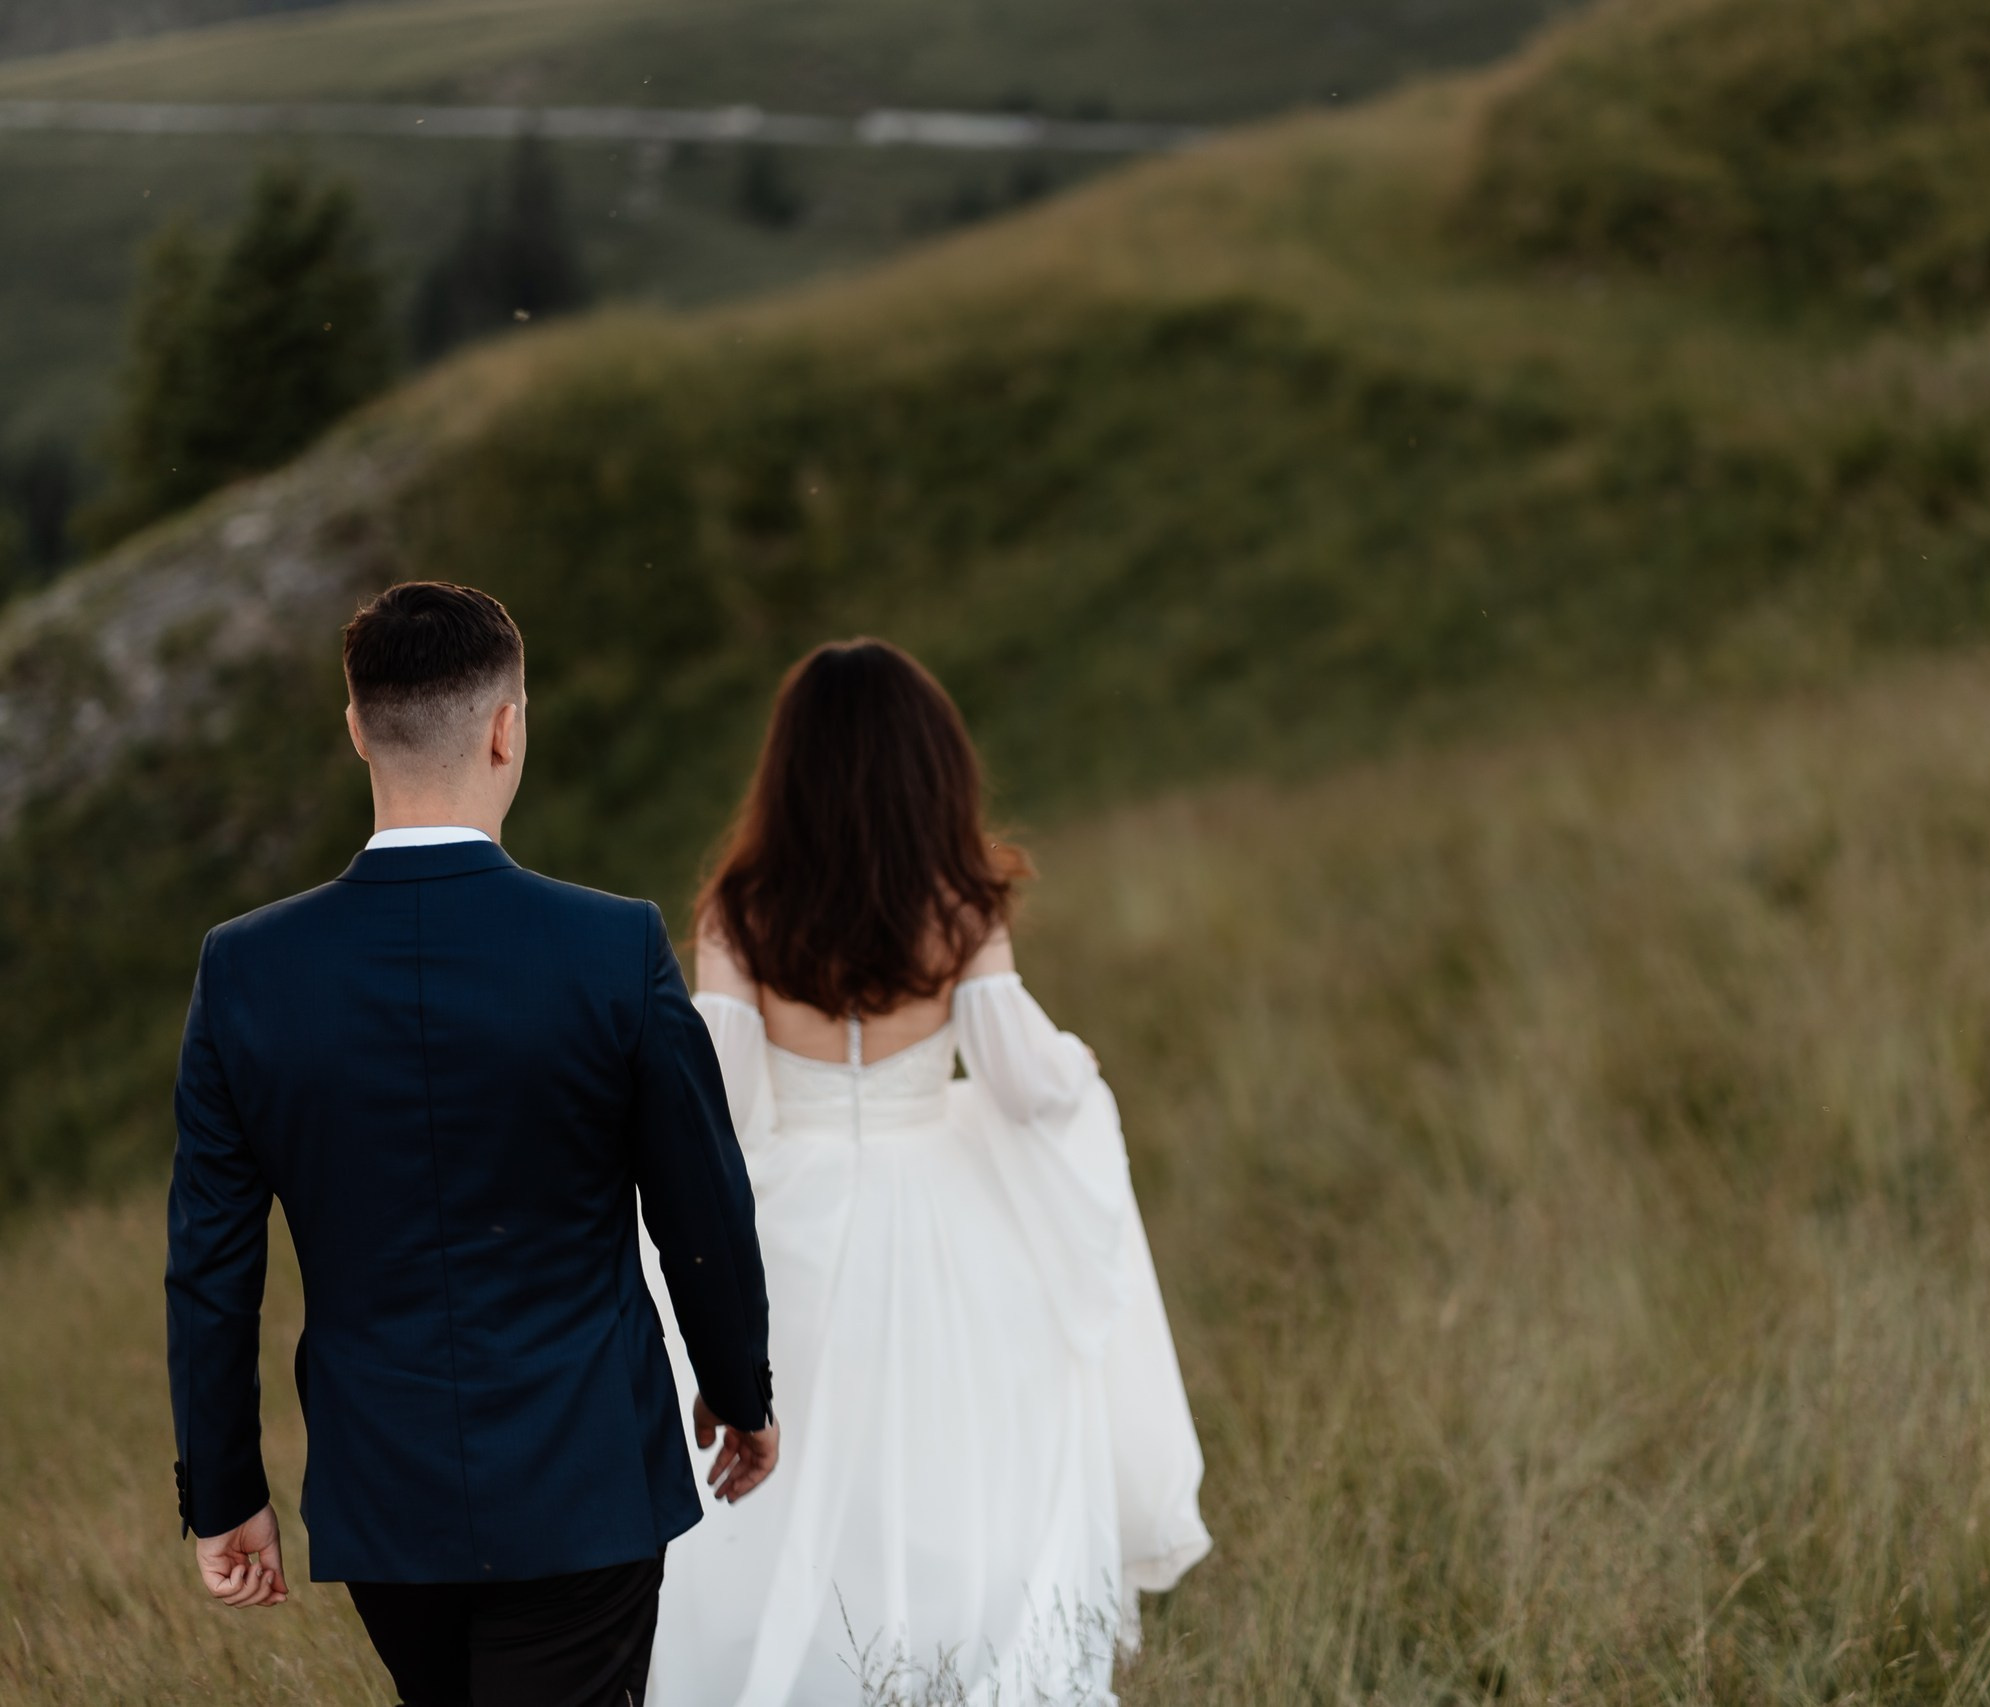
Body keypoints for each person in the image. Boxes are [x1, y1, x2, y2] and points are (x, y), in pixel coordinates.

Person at [166, 581, 779, 1707]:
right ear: (508, 727)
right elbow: (702, 1203)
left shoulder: (245, 969)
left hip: (382, 1494)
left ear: (354, 728)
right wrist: (739, 1386)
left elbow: (211, 1265)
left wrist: (223, 1487)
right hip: (584, 1472)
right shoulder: (612, 947)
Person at [646, 639, 1209, 1706]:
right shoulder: (959, 901)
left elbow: (713, 1091)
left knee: (804, 1479)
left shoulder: (744, 908)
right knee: (959, 1473)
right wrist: (1077, 1067)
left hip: (792, 1221)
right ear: (929, 765)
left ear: (790, 769)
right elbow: (1017, 1074)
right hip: (950, 1219)